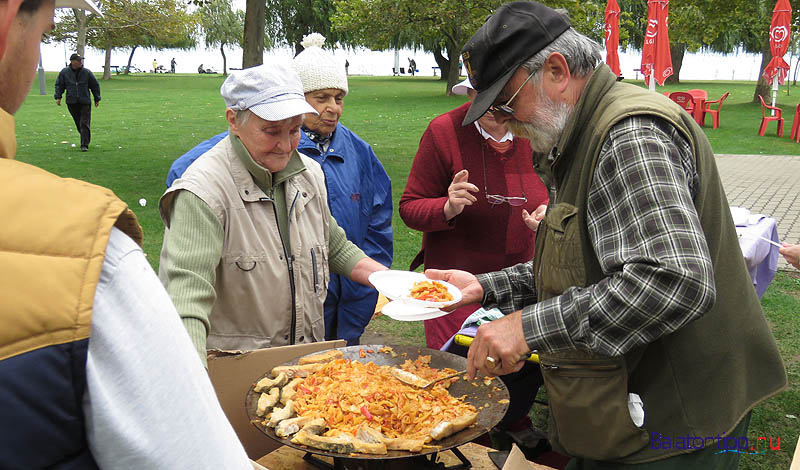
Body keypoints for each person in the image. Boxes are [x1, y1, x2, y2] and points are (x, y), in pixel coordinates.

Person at [427, 2, 787, 468]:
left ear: (556, 70)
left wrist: (527, 328)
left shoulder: (628, 133)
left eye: (505, 102)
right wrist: (488, 287)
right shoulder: (578, 132)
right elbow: (585, 258)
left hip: (678, 422)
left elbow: (673, 281)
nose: (503, 119)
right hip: (636, 406)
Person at [0, 0, 254, 468]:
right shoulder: (85, 248)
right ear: (8, 20)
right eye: (43, 32)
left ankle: (84, 136)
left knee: (85, 124)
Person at [163, 34, 393, 347]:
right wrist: (192, 380)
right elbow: (186, 300)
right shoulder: (202, 192)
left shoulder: (308, 172)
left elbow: (334, 245)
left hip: (305, 360)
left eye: (295, 130)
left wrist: (395, 283)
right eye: (271, 131)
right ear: (234, 120)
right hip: (237, 366)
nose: (285, 146)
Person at [399, 76, 548, 450]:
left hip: (520, 280)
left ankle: (514, 418)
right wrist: (447, 206)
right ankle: (457, 436)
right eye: (487, 103)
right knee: (461, 371)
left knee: (522, 362)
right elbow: (410, 207)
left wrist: (550, 215)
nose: (498, 114)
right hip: (457, 286)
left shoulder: (534, 129)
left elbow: (555, 191)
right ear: (471, 94)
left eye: (505, 105)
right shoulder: (444, 132)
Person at [292, 33, 393, 345]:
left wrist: (370, 282)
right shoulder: (277, 149)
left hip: (352, 294)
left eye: (339, 98)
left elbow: (379, 220)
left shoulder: (358, 151)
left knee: (345, 376)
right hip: (300, 299)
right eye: (321, 98)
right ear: (295, 98)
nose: (333, 108)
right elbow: (189, 169)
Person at [54, 52, 100, 152]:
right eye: (78, 60)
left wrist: (97, 98)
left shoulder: (87, 72)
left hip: (85, 101)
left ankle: (84, 145)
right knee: (78, 122)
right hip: (71, 101)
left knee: (84, 122)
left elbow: (94, 85)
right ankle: (84, 136)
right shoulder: (64, 72)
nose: (80, 62)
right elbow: (59, 85)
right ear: (73, 62)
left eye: (81, 60)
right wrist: (58, 97)